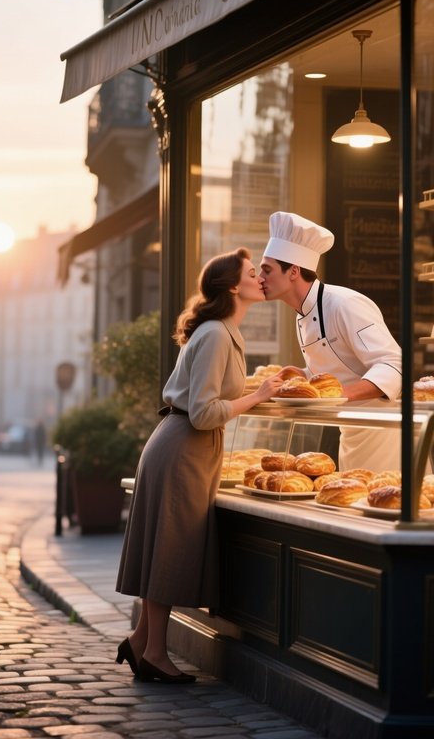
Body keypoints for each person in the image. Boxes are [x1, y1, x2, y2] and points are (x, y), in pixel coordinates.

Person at [115, 247, 283, 684]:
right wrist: (258, 395)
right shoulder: (214, 334)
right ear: (233, 287)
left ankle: (140, 643)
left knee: (166, 549)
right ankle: (154, 652)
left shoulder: (223, 331)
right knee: (170, 551)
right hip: (184, 448)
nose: (261, 277)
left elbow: (210, 398)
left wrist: (257, 388)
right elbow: (206, 411)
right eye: (253, 272)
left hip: (187, 449)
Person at [259, 211, 404, 472]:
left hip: (386, 435)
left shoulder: (344, 303)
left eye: (267, 270)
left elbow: (392, 365)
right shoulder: (302, 312)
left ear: (293, 272)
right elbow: (338, 371)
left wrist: (332, 397)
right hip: (351, 430)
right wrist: (301, 376)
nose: (260, 278)